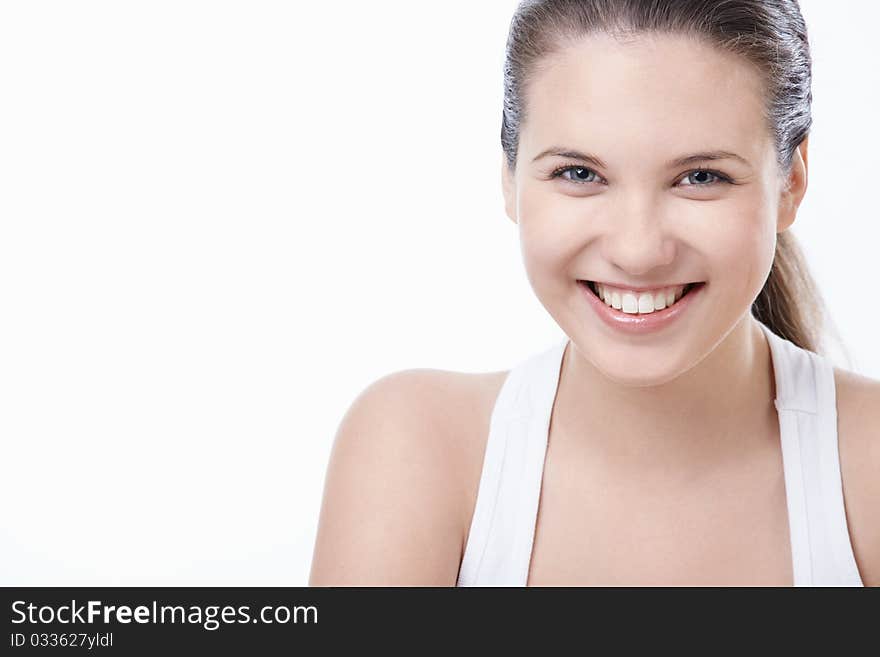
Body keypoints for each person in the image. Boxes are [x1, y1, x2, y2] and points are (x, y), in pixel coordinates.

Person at [309, 0, 879, 586]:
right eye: (579, 173)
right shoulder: (415, 451)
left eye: (701, 177)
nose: (637, 249)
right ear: (509, 176)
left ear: (791, 183)